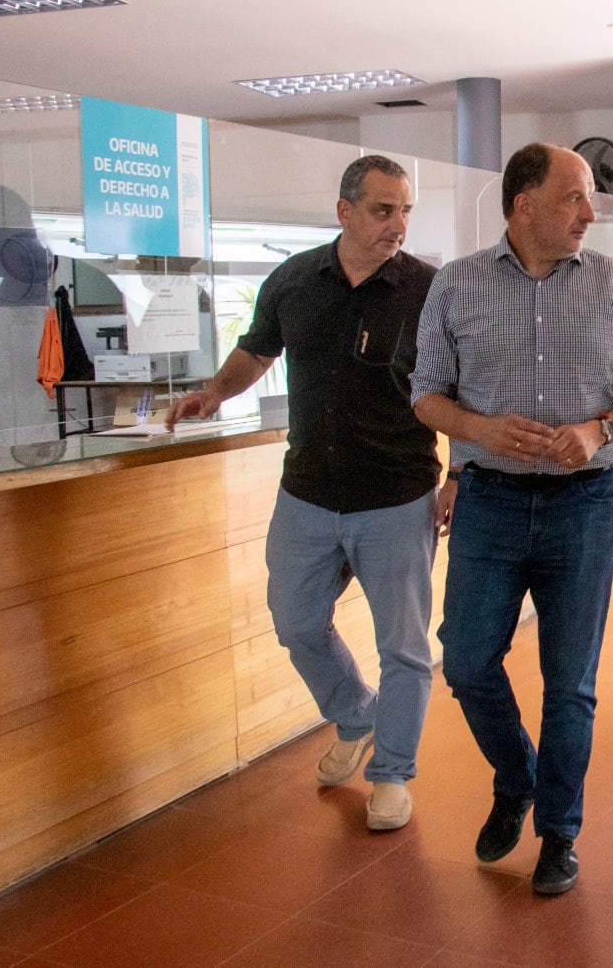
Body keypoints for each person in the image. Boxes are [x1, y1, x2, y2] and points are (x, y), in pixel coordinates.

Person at [411, 142, 613, 896]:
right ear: (524, 205)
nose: (591, 213)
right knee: (464, 660)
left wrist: (601, 432)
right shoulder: (456, 286)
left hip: (583, 506)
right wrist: (478, 432)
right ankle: (517, 777)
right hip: (488, 500)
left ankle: (559, 832)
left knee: (571, 683)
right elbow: (426, 392)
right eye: (574, 197)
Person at [165, 155, 447, 832]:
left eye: (406, 210)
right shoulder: (293, 281)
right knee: (295, 621)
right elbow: (256, 351)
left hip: (396, 494)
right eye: (383, 210)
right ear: (345, 211)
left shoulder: (433, 292)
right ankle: (357, 716)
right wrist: (214, 390)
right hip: (309, 494)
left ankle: (391, 775)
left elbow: (460, 388)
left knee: (404, 647)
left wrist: (460, 473)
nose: (397, 225)